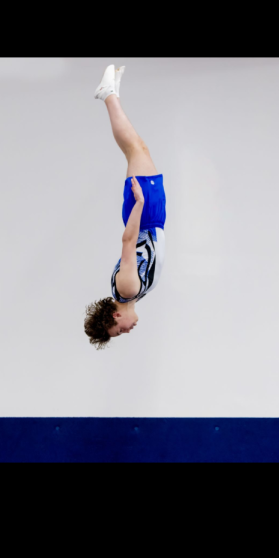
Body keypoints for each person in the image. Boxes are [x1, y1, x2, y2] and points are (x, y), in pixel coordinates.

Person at [84, 64, 167, 349]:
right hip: (147, 217)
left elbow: (128, 241)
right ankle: (112, 94)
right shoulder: (129, 293)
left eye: (117, 331)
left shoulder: (127, 289)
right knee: (137, 148)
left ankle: (108, 94)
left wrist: (140, 203)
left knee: (137, 148)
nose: (125, 332)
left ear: (115, 316)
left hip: (145, 215)